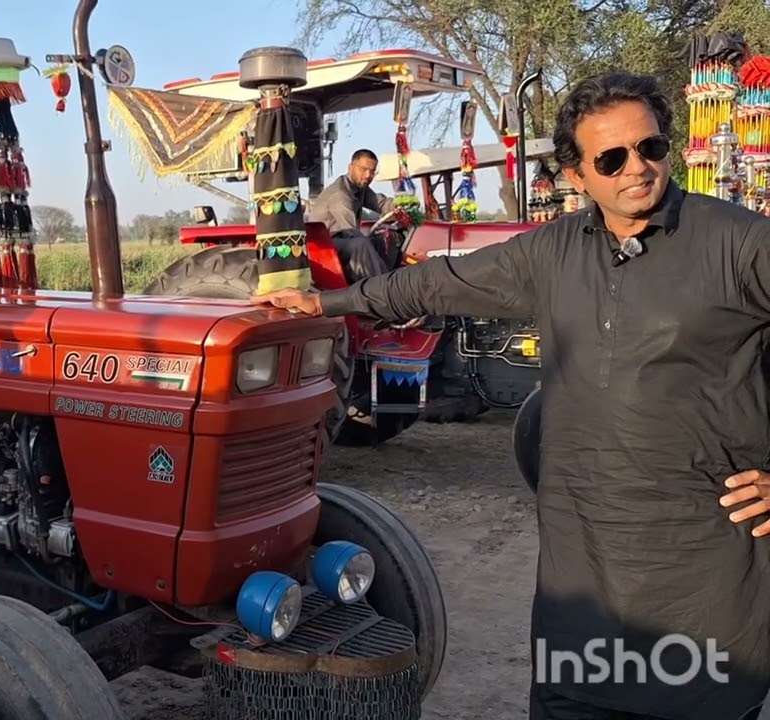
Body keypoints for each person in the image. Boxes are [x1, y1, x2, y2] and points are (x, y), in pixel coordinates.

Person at [254, 71, 770, 720]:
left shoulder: (738, 243)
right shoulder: (554, 252)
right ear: (577, 175)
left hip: (703, 565)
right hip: (584, 565)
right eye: (612, 158)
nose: (638, 168)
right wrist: (329, 302)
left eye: (651, 147)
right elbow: (436, 284)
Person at [308, 148, 400, 282]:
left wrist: (402, 205)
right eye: (363, 169)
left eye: (372, 171)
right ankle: (382, 287)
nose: (368, 175)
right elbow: (350, 231)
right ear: (350, 167)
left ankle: (392, 280)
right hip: (325, 247)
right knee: (360, 244)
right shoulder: (340, 194)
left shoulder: (360, 188)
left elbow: (381, 203)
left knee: (382, 240)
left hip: (343, 241)